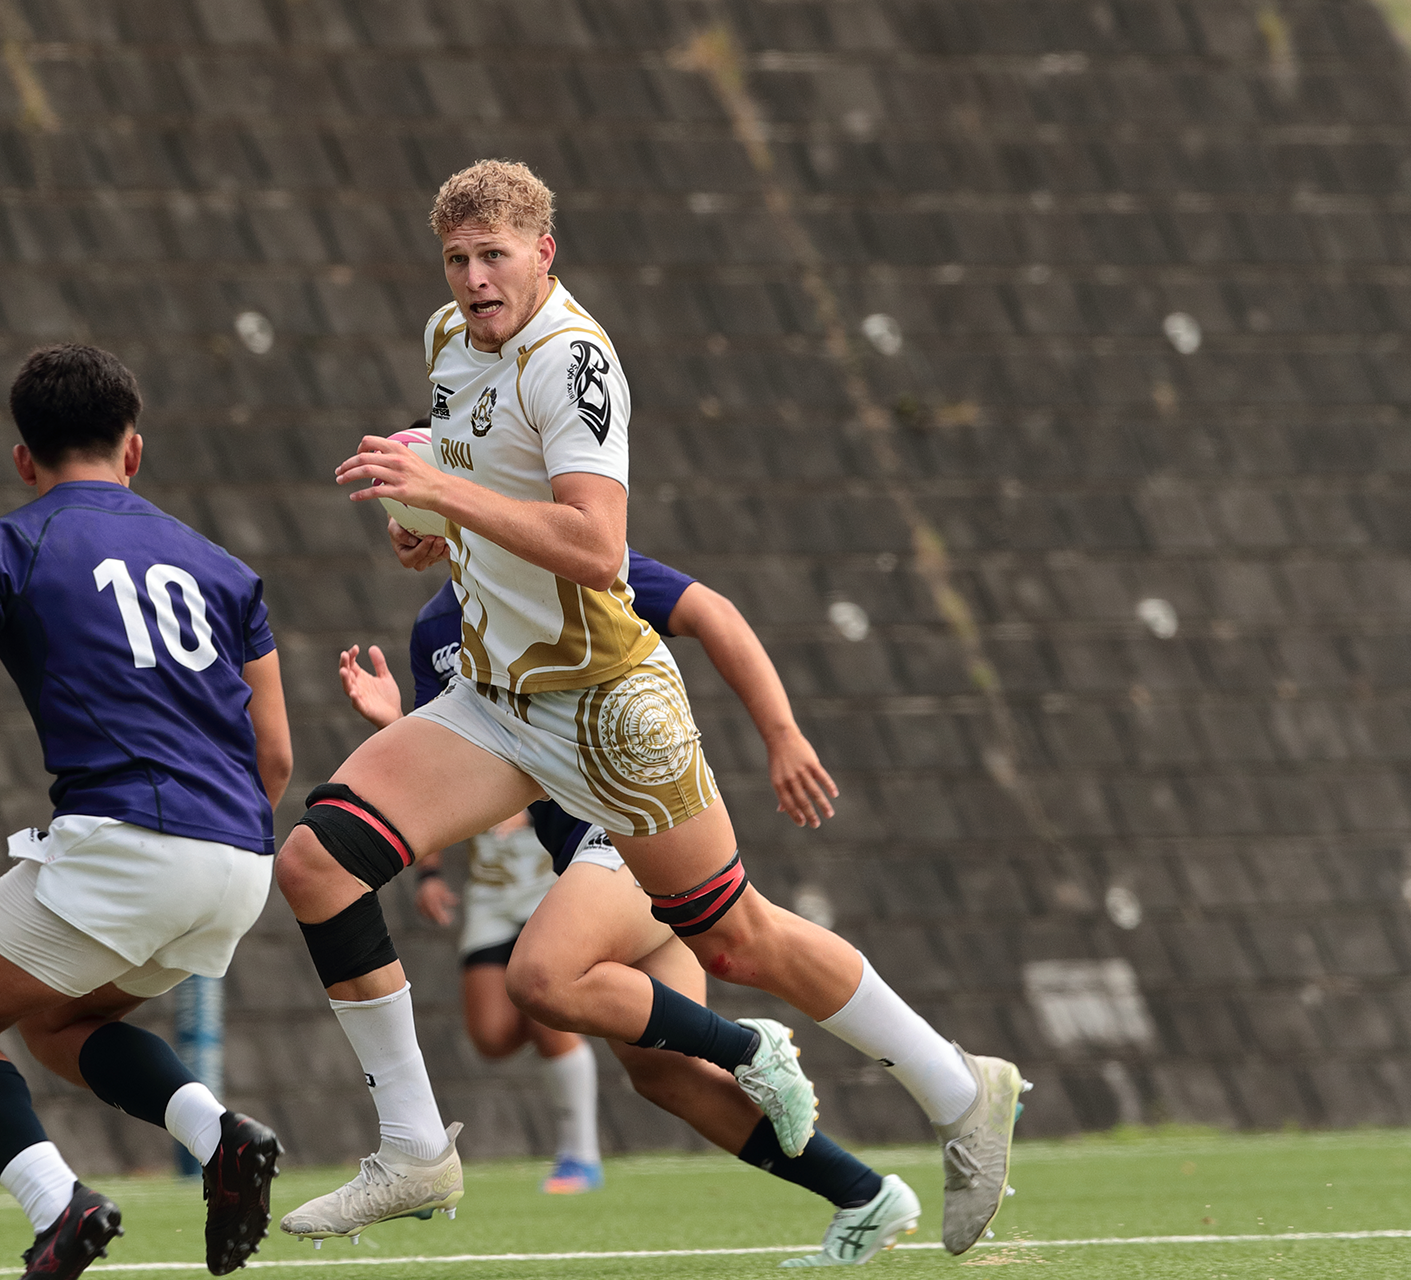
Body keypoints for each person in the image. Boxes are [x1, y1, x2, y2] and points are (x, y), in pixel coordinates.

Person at [275, 159, 1023, 1257]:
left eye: (495, 256)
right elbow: (479, 493)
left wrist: (449, 494)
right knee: (314, 862)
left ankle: (961, 1089)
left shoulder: (574, 359)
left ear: (544, 253)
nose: (475, 279)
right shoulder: (449, 339)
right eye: (458, 259)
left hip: (609, 705)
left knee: (737, 939)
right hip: (496, 697)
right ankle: (415, 1146)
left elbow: (596, 545)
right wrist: (431, 528)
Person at [0, 345, 291, 1280]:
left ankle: (59, 1206)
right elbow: (273, 755)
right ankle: (220, 1136)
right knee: (57, 1026)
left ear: (22, 461)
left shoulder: (5, 546)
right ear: (134, 450)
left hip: (128, 844)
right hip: (242, 858)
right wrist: (212, 842)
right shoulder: (226, 570)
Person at [338, 551, 923, 1266]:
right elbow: (462, 773)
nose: (398, 518)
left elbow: (711, 611)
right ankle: (864, 1194)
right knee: (663, 1072)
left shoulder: (567, 558)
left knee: (543, 978)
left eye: (408, 495)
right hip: (586, 859)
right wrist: (397, 724)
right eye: (390, 505)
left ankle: (760, 1050)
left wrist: (781, 734)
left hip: (629, 827)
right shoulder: (434, 627)